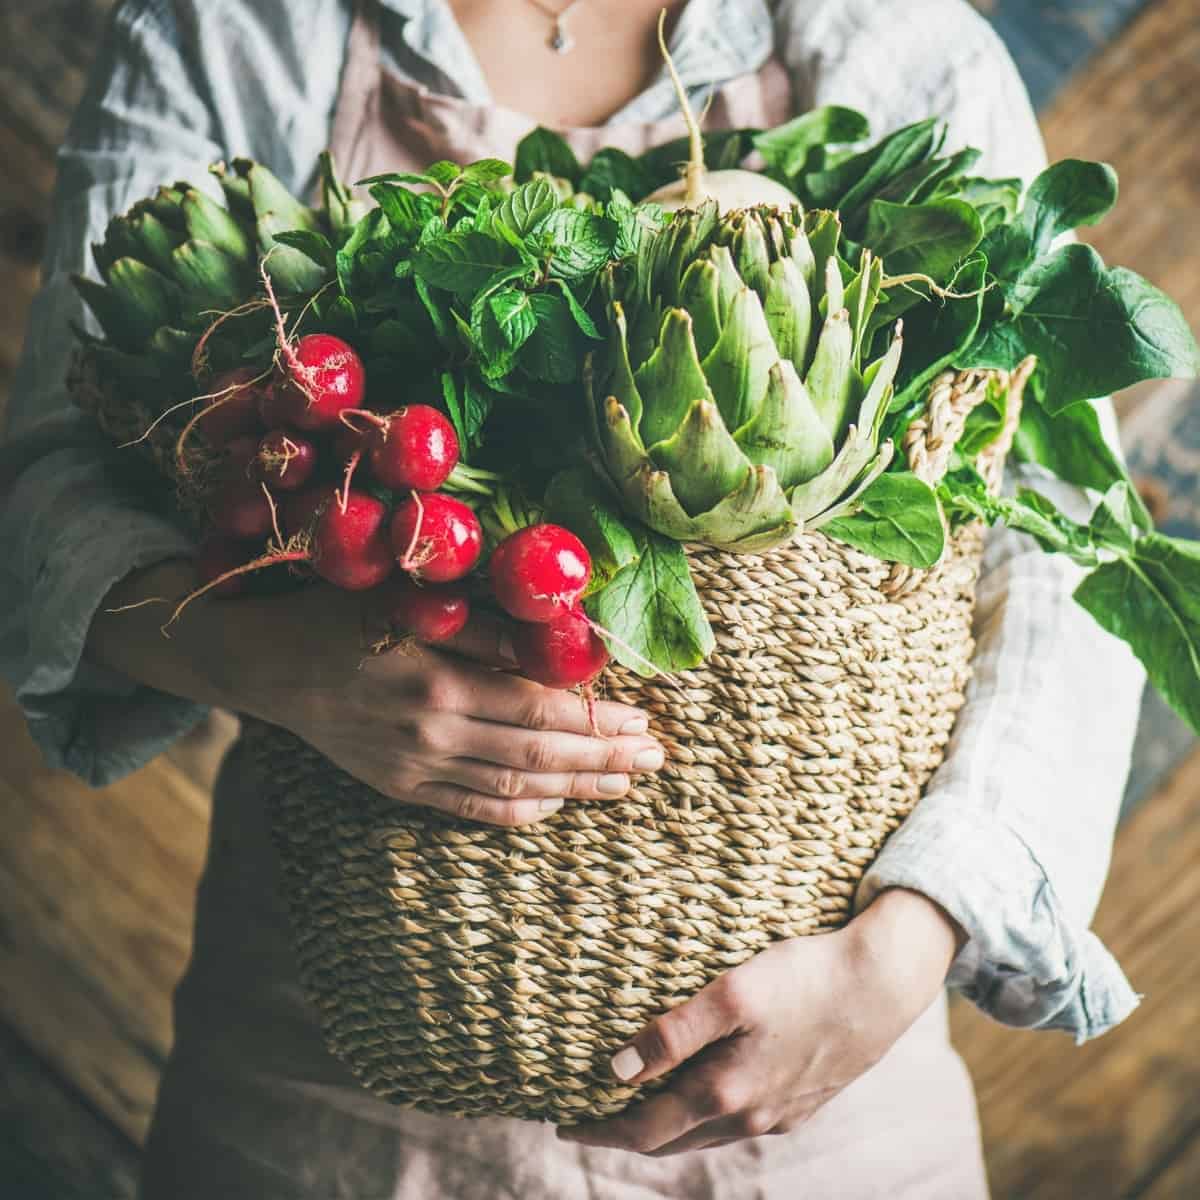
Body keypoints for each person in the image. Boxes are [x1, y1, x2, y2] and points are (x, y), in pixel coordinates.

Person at [0, 1, 1146, 1196]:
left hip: (823, 1090)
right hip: (331, 1097)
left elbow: (1065, 564)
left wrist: (904, 956)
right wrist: (273, 662)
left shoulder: (893, 41)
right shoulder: (232, 28)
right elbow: (49, 491)